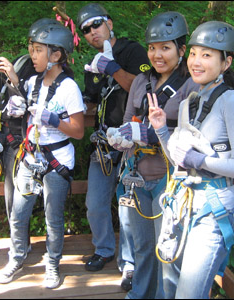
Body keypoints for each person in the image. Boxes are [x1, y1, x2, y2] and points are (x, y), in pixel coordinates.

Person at [147, 21, 234, 298]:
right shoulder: (188, 103)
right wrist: (161, 129)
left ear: (226, 63)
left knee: (188, 294)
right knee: (172, 284)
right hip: (184, 204)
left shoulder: (233, 102)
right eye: (194, 53)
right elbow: (178, 161)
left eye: (206, 55)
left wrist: (199, 159)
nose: (196, 61)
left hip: (212, 209)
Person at [106, 11, 199, 299]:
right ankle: (139, 294)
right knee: (142, 248)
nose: (157, 55)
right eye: (152, 48)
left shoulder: (190, 86)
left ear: (182, 51)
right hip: (136, 176)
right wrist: (121, 137)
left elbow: (191, 136)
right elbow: (129, 119)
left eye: (166, 48)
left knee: (167, 251)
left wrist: (154, 136)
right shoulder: (140, 82)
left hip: (168, 180)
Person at [0, 23, 85, 289]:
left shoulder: (69, 88)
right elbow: (23, 104)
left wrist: (53, 119)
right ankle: (16, 257)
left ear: (55, 55)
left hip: (57, 159)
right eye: (31, 49)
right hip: (31, 157)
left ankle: (53, 264)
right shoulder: (31, 82)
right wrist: (16, 105)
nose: (32, 55)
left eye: (37, 50)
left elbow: (78, 131)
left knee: (53, 218)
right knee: (18, 213)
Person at [0, 18, 58, 261]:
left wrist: (15, 79)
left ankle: (21, 245)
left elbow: (34, 105)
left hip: (19, 138)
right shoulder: (22, 60)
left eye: (38, 46)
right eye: (31, 45)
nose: (33, 50)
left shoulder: (48, 71)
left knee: (14, 195)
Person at [76, 3, 150, 291]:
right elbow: (93, 98)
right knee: (95, 204)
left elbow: (141, 88)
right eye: (85, 30)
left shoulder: (133, 52)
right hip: (104, 142)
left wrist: (113, 67)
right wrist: (76, 104)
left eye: (95, 24)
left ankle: (129, 264)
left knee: (127, 205)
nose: (92, 32)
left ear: (108, 22)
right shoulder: (94, 62)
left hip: (133, 142)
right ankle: (104, 249)